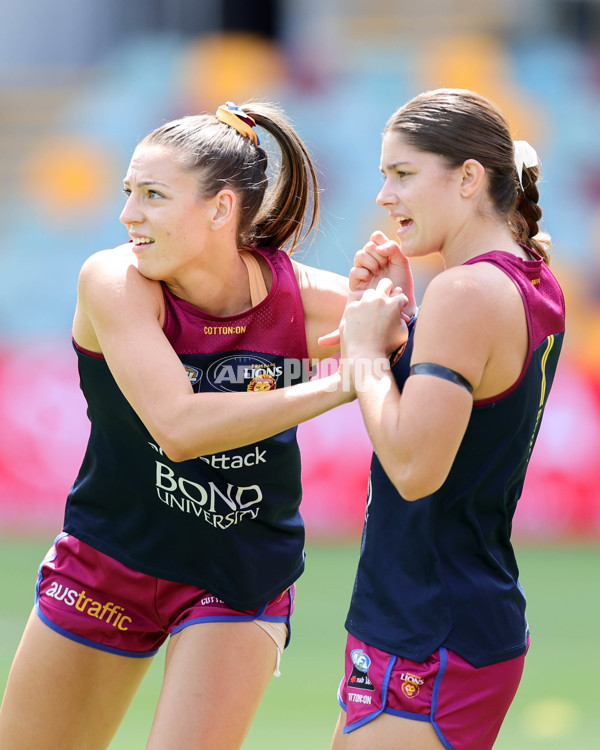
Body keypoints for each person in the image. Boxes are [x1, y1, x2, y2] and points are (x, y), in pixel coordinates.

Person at [0, 101, 354, 750]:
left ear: (220, 210)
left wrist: (403, 311)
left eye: (153, 195)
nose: (128, 214)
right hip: (107, 560)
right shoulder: (112, 280)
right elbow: (179, 427)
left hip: (237, 577)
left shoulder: (315, 302)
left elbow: (434, 351)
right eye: (129, 192)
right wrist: (338, 385)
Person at [326, 89, 566, 750]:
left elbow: (413, 468)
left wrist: (367, 357)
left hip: (428, 630)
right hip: (448, 614)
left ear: (467, 178)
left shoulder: (463, 292)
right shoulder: (531, 274)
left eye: (401, 174)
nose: (384, 195)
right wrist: (406, 332)